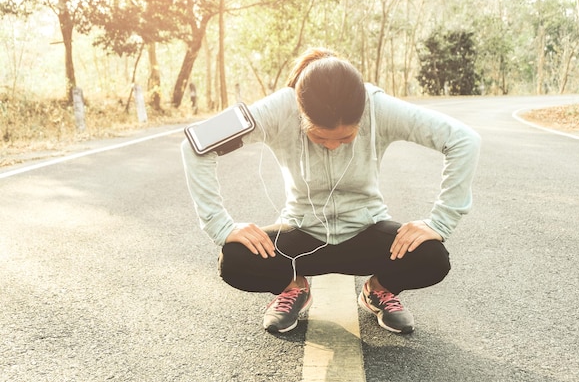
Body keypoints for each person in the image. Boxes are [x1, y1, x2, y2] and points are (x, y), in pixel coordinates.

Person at [181, 47, 480, 334]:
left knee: (432, 257)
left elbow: (464, 140)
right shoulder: (280, 107)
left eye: (347, 137)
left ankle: (378, 290)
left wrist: (439, 222)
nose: (334, 145)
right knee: (234, 259)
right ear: (301, 113)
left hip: (366, 233)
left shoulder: (377, 106)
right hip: (301, 236)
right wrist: (221, 226)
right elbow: (195, 145)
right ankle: (293, 287)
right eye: (321, 137)